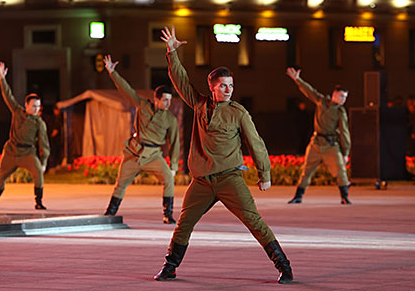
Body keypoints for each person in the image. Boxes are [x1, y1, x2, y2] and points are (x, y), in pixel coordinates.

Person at [154, 26, 293, 284]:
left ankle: (284, 266)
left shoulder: (238, 112)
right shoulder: (199, 104)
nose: (228, 90)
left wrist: (265, 174)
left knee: (254, 221)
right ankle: (170, 267)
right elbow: (181, 80)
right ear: (212, 87)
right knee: (184, 224)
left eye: (231, 85)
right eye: (223, 86)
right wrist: (172, 52)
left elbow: (256, 143)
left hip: (230, 178)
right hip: (202, 181)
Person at [102, 55, 180, 224]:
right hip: (135, 152)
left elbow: (175, 143)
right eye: (165, 100)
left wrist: (173, 166)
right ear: (156, 99)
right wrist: (112, 72)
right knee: (120, 184)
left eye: (170, 100)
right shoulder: (142, 106)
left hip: (154, 155)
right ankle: (110, 212)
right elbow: (126, 90)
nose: (168, 104)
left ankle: (168, 214)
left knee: (168, 179)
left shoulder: (170, 120)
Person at [0, 62, 50, 210]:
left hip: (28, 153)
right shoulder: (17, 112)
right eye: (34, 106)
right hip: (12, 150)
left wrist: (44, 161)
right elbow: (8, 95)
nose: (36, 109)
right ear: (26, 105)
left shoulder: (40, 122)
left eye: (38, 106)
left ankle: (38, 202)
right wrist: (2, 78)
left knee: (38, 172)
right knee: (1, 177)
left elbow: (44, 144)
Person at [286, 67, 351, 205]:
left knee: (340, 171)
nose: (343, 99)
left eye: (345, 97)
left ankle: (344, 197)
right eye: (341, 96)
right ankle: (298, 196)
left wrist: (345, 153)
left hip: (331, 145)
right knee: (306, 171)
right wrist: (297, 79)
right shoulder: (322, 101)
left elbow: (344, 133)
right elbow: (309, 91)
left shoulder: (340, 111)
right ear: (334, 94)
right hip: (315, 143)